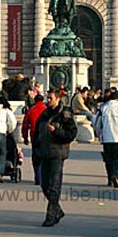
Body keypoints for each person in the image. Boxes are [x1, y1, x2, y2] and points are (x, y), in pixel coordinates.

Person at [32, 88, 77, 227]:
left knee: (54, 186)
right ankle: (57, 210)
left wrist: (57, 131)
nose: (48, 100)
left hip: (57, 154)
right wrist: (36, 151)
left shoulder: (65, 113)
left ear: (58, 99)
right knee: (44, 185)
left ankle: (51, 215)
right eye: (48, 98)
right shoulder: (45, 114)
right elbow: (37, 133)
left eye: (51, 98)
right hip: (44, 153)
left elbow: (71, 133)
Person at [94, 90, 118, 188]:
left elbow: (97, 123)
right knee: (117, 159)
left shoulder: (103, 108)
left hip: (106, 138)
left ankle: (110, 178)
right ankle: (116, 176)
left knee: (108, 159)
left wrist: (98, 135)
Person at [22, 93, 47, 184]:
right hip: (46, 137)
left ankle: (38, 178)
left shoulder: (31, 110)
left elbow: (25, 125)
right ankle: (44, 177)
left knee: (36, 158)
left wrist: (25, 137)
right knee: (45, 157)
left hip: (34, 136)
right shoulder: (46, 110)